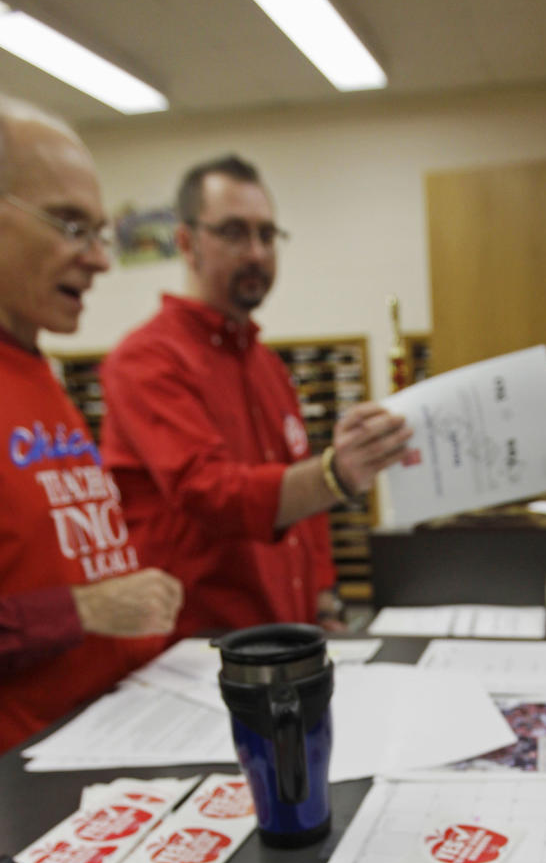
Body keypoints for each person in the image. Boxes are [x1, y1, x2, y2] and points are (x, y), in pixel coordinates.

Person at [99, 155, 412, 638]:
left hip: (290, 637)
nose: (256, 252)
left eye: (267, 235)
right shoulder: (146, 361)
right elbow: (210, 492)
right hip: (198, 652)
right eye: (233, 232)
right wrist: (334, 473)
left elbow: (303, 501)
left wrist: (325, 602)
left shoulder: (267, 366)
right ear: (186, 242)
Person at [0, 96, 183, 756]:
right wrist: (83, 610)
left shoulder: (34, 367)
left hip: (111, 740)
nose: (102, 260)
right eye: (70, 225)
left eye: (99, 232)